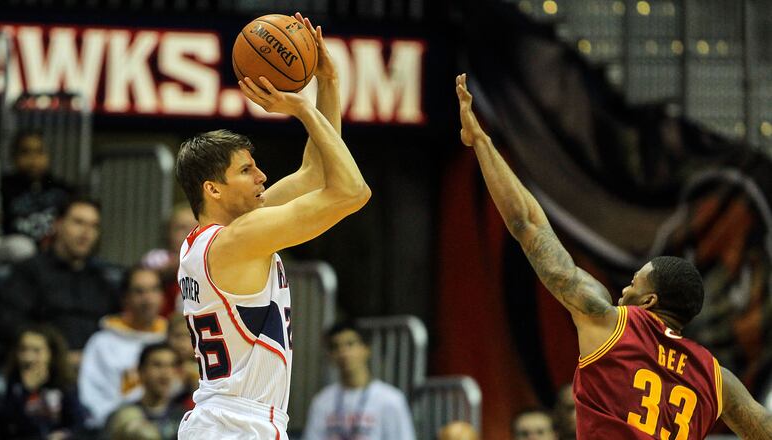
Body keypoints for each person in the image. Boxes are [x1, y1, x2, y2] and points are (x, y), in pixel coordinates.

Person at [455, 73, 772, 439]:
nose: (623, 291)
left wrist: (480, 141)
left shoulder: (610, 324)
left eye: (634, 283)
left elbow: (527, 225)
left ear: (650, 299)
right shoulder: (716, 378)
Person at [174, 13, 370, 440]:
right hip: (235, 426)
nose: (262, 176)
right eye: (247, 170)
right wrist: (300, 107)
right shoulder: (238, 240)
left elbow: (317, 171)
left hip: (229, 422)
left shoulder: (226, 235)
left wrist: (328, 84)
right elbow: (352, 192)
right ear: (214, 189)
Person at [0, 196, 122, 362]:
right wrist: (55, 356)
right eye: (78, 223)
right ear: (58, 224)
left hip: (96, 369)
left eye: (93, 226)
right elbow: (8, 322)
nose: (86, 233)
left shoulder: (103, 279)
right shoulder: (31, 271)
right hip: (47, 367)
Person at [78, 265, 167, 428]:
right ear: (125, 298)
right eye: (139, 292)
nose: (148, 299)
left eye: (154, 290)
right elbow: (93, 398)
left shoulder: (171, 339)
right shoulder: (102, 343)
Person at [303, 322, 416, 440]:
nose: (343, 352)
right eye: (335, 347)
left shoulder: (391, 400)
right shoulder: (322, 402)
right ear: (330, 355)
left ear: (366, 349)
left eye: (350, 344)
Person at [0, 325, 86, 439]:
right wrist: (26, 390)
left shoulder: (63, 383)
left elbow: (77, 422)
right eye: (23, 349)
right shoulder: (2, 383)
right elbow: (6, 426)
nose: (28, 358)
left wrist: (63, 434)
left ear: (51, 353)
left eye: (36, 351)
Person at [0, 130, 74, 248]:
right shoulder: (2, 188)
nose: (33, 159)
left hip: (53, 256)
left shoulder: (62, 190)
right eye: (25, 152)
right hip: (15, 257)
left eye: (39, 152)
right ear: (14, 157)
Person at [106, 343, 186, 440]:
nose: (166, 374)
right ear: (141, 371)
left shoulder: (184, 418)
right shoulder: (121, 417)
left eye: (171, 366)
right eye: (157, 365)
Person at [141, 202, 197, 316]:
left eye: (195, 227)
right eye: (181, 228)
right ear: (168, 233)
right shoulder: (157, 258)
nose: (189, 233)